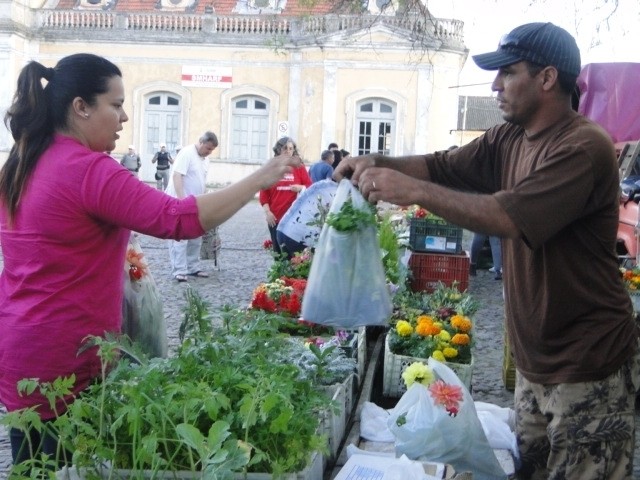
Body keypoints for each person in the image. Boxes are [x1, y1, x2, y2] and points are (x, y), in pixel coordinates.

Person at [335, 23, 640, 479]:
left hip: (588, 365)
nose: (495, 85)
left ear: (547, 78)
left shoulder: (582, 146)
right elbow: (444, 166)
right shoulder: (508, 138)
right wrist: (378, 163)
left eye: (507, 73)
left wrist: (411, 190)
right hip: (535, 363)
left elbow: (508, 218)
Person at [0, 53, 297, 469]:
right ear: (80, 107)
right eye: (116, 104)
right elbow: (178, 219)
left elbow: (52, 245)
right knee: (68, 467)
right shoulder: (89, 169)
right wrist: (258, 179)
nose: (124, 118)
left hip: (20, 352)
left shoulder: (22, 160)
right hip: (67, 360)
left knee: (32, 466)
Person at [165, 131, 218, 282]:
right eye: (208, 148)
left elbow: (200, 179)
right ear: (201, 142)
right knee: (179, 238)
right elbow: (177, 176)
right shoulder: (186, 153)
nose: (209, 152)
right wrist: (182, 201)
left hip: (196, 203)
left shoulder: (205, 159)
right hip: (181, 202)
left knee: (195, 237)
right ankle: (179, 270)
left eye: (212, 150)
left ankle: (192, 267)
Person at [260, 137, 311, 257]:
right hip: (275, 218)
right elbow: (263, 193)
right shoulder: (271, 168)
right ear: (278, 150)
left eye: (291, 148)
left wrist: (300, 188)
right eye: (285, 148)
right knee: (278, 252)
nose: (288, 151)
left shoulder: (299, 167)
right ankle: (279, 275)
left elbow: (310, 187)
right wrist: (268, 213)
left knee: (293, 253)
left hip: (294, 218)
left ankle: (292, 276)